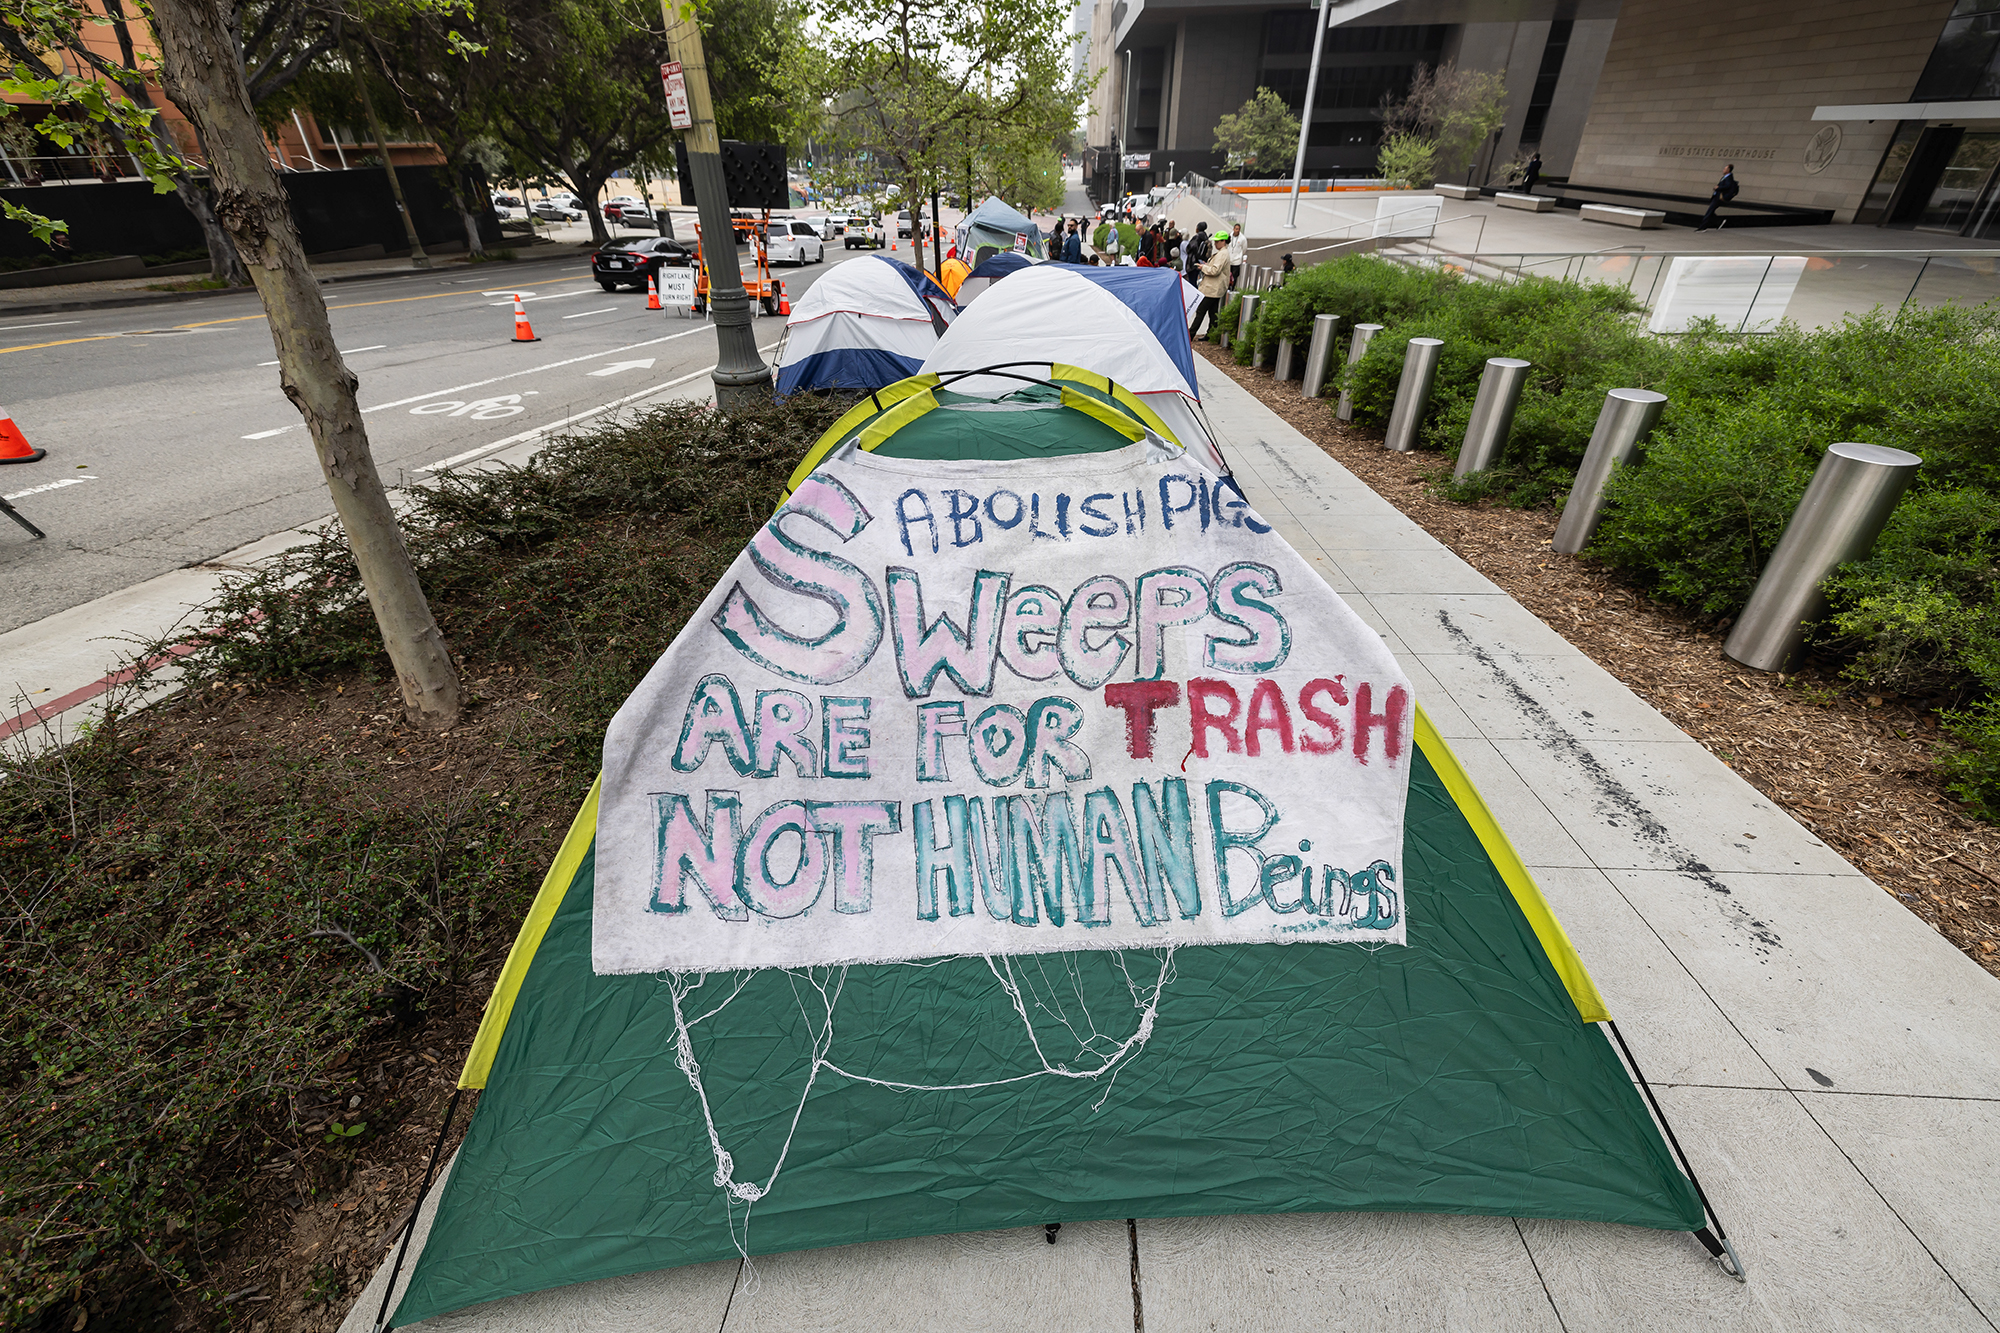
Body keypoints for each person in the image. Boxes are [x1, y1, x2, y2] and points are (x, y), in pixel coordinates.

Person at [1190, 246, 1229, 339]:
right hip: (1215, 288)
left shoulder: (1222, 254)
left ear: (1223, 241)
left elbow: (1215, 270)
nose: (1215, 243)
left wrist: (1204, 267)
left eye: (1217, 241)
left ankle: (1190, 334)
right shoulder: (1223, 253)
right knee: (1213, 312)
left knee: (1201, 311)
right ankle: (1211, 334)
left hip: (1212, 288)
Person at [1697, 163, 1739, 231]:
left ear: (1728, 170)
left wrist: (1718, 187)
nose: (1723, 170)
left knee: (1709, 211)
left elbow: (1727, 186)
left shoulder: (1729, 178)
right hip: (1717, 197)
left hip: (1719, 198)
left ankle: (1702, 227)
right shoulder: (1725, 177)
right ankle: (1719, 221)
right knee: (1711, 211)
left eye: (1725, 169)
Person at [1226, 222, 1246, 289]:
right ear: (1233, 229)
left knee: (1234, 276)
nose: (1237, 230)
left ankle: (1233, 288)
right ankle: (1227, 288)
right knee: (1227, 275)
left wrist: (1239, 256)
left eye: (1239, 229)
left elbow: (1244, 249)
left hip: (1236, 261)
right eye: (1236, 229)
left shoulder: (1242, 238)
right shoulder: (1229, 236)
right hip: (1229, 260)